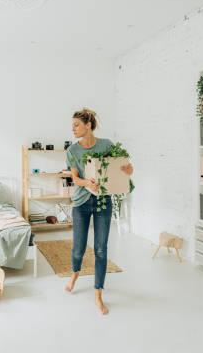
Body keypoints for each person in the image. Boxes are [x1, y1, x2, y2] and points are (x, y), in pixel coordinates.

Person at [64, 107, 133, 315]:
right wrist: (87, 183)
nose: (73, 129)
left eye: (76, 125)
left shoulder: (107, 146)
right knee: (79, 248)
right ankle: (75, 273)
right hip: (81, 203)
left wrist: (128, 170)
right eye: (72, 126)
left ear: (88, 125)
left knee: (101, 249)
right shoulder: (72, 151)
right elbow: (74, 178)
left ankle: (98, 293)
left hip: (103, 202)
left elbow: (122, 168)